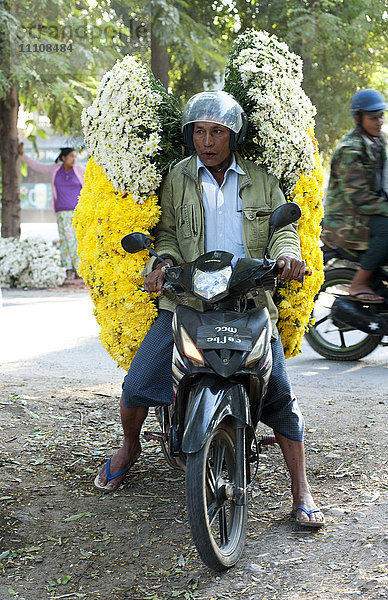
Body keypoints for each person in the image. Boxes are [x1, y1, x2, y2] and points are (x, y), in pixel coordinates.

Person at [94, 91, 325, 528]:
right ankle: (130, 447)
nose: (207, 140)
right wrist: (160, 262)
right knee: (138, 381)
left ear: (233, 135)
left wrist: (288, 256)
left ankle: (301, 488)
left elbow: (283, 230)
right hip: (187, 299)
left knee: (280, 393)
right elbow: (164, 232)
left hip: (248, 298)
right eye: (199, 131)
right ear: (189, 135)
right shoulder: (176, 177)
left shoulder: (260, 179)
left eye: (217, 131)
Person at [321, 89, 388, 303]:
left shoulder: (378, 141)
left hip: (367, 211)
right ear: (358, 118)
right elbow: (360, 198)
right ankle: (358, 283)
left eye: (381, 116)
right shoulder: (349, 149)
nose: (379, 122)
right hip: (347, 219)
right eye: (373, 117)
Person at [18, 143, 85, 282]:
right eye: (71, 156)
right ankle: (68, 270)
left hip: (77, 212)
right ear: (63, 157)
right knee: (64, 242)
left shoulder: (79, 170)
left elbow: (93, 177)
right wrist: (22, 155)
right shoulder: (55, 170)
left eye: (75, 157)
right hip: (61, 212)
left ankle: (80, 269)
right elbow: (37, 166)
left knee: (74, 240)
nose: (74, 159)